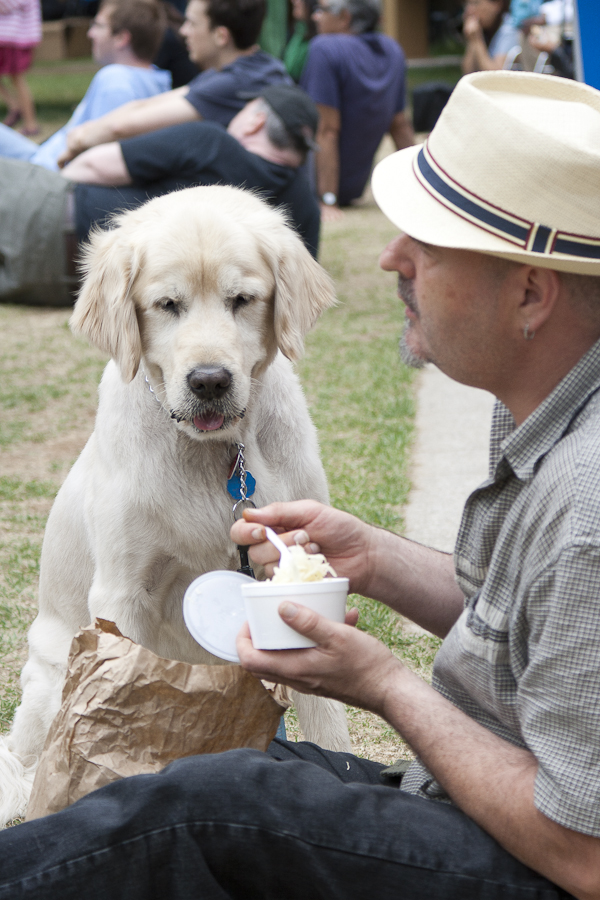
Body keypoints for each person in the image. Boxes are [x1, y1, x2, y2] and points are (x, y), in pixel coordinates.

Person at [1, 69, 600, 899]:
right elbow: (528, 616)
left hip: (514, 858)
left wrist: (384, 684)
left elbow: (584, 852)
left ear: (531, 291)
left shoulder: (589, 506)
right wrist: (375, 559)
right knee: (205, 776)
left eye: (425, 244)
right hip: (464, 797)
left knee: (200, 802)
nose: (388, 257)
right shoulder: (554, 420)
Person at [0, 83, 321, 306]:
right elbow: (296, 284)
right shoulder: (304, 205)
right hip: (84, 289)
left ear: (255, 121)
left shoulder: (212, 143)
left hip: (55, 219)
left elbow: (93, 166)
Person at [57, 0, 292, 167]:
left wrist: (79, 140)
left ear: (221, 36)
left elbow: (124, 127)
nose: (183, 31)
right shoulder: (257, 66)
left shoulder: (235, 83)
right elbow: (149, 105)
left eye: (191, 23)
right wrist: (85, 131)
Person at [0, 0, 171, 171]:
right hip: (42, 157)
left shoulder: (116, 81)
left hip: (43, 171)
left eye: (98, 25)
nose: (90, 33)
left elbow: (99, 158)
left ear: (121, 38)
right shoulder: (156, 79)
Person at [299, 0, 414, 221]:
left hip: (315, 190)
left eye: (322, 10)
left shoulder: (324, 47)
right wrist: (423, 189)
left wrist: (327, 200)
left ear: (345, 18)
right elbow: (400, 126)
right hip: (353, 189)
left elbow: (327, 130)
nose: (315, 16)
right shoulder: (392, 49)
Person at [0, 0, 41, 135]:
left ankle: (31, 124)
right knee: (17, 80)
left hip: (15, 38)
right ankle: (14, 106)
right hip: (9, 37)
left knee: (17, 80)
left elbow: (8, 5)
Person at [462, 0, 520, 73]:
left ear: (497, 5)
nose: (469, 11)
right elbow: (468, 73)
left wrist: (477, 39)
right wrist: (472, 40)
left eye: (476, 3)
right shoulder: (483, 28)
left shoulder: (509, 30)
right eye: (467, 4)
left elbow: (496, 76)